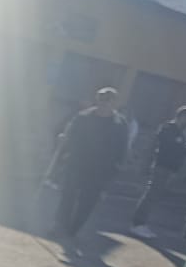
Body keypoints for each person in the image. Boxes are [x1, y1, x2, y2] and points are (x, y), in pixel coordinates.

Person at [49, 87, 130, 240]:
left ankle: (73, 230)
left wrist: (117, 166)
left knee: (88, 201)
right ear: (97, 100)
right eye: (102, 99)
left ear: (114, 103)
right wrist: (63, 142)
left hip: (101, 169)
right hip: (77, 163)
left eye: (109, 101)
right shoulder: (83, 117)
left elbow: (122, 147)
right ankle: (59, 225)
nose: (104, 103)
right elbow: (70, 134)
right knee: (68, 195)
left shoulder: (120, 123)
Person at [128, 106, 186, 238]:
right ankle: (137, 224)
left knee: (155, 196)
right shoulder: (168, 128)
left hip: (169, 168)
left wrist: (185, 147)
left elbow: (183, 146)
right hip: (162, 167)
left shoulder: (180, 132)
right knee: (151, 195)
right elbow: (170, 147)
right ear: (183, 117)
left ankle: (141, 223)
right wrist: (184, 147)